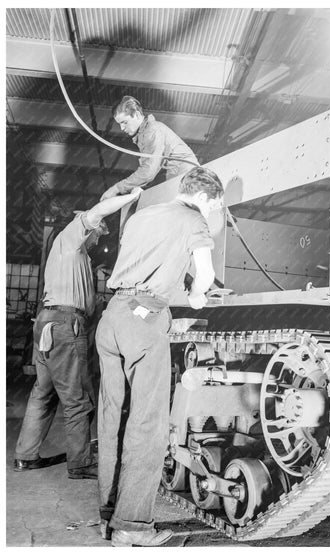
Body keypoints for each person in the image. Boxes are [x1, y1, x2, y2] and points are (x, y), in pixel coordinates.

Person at [96, 166, 224, 547]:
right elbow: (204, 274)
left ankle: (108, 513)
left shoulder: (142, 216)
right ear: (203, 198)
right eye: (214, 205)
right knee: (148, 424)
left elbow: (146, 259)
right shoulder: (193, 219)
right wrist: (200, 295)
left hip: (112, 316)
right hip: (145, 319)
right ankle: (131, 525)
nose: (213, 213)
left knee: (111, 416)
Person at [14, 187, 143, 480]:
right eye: (99, 232)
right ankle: (80, 463)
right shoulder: (70, 240)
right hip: (64, 325)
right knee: (78, 401)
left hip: (48, 322)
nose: (99, 237)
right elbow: (96, 212)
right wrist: (131, 197)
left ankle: (25, 455)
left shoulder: (78, 257)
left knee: (43, 394)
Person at [100, 96, 199, 200]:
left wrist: (116, 189)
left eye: (124, 122)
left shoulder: (152, 131)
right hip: (178, 179)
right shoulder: (144, 134)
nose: (122, 128)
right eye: (119, 124)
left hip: (189, 179)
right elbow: (153, 170)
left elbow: (148, 171)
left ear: (137, 114)